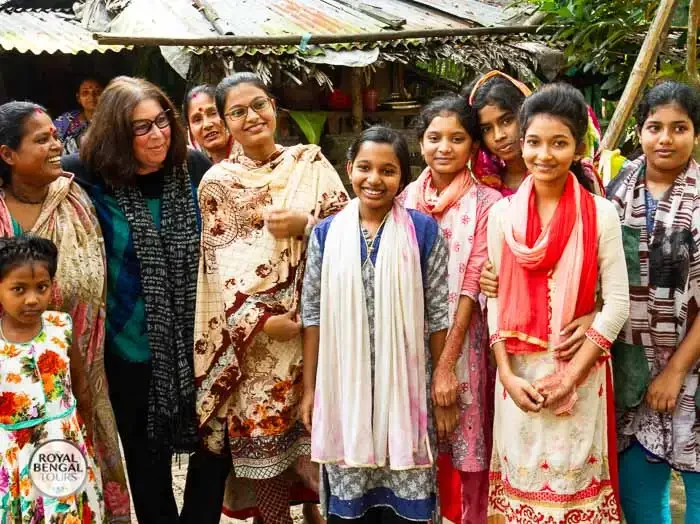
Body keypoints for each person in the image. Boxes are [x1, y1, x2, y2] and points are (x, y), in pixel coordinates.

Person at [193, 72, 349, 524]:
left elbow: (353, 233)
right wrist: (261, 319)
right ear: (225, 123)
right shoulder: (217, 183)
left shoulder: (311, 163)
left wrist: (306, 224)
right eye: (237, 112)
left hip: (317, 333)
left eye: (258, 105)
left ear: (274, 107)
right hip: (256, 344)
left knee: (318, 442)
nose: (251, 117)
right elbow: (218, 266)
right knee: (265, 450)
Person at [61, 76, 213, 523]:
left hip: (198, 347)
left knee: (213, 451)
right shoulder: (87, 177)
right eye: (140, 128)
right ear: (115, 134)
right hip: (127, 351)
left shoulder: (195, 168)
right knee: (148, 469)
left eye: (162, 121)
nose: (157, 135)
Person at [486, 83, 629, 522]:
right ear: (521, 143)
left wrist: (571, 377)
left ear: (578, 148)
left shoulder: (600, 214)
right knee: (520, 498)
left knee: (572, 497)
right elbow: (492, 301)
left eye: (558, 143)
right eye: (534, 142)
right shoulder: (501, 215)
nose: (544, 155)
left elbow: (618, 303)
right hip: (518, 379)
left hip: (579, 376)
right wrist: (506, 375)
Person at [300, 126, 456, 523]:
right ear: (349, 168)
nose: (375, 179)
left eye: (388, 171)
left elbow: (439, 315)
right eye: (365, 167)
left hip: (406, 393)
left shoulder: (423, 232)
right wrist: (310, 391)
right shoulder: (325, 234)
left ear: (402, 178)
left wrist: (441, 384)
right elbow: (313, 315)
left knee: (408, 507)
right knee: (351, 508)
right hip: (344, 394)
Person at [0, 101, 129, 521]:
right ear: (7, 155)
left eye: (54, 136)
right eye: (42, 140)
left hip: (74, 393)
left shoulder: (74, 199)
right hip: (10, 405)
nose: (56, 145)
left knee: (70, 500)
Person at [399, 94, 501, 524]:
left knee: (470, 458)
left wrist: (446, 367)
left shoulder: (488, 205)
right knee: (416, 456)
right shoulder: (402, 199)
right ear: (420, 143)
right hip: (407, 346)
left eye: (456, 138)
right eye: (434, 137)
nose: (444, 147)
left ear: (473, 147)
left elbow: (472, 287)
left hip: (466, 351)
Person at [607, 81, 700, 523]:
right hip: (632, 370)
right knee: (641, 501)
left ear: (695, 134)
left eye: (678, 128)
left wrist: (676, 370)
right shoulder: (614, 193)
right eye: (654, 127)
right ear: (639, 133)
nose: (665, 138)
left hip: (694, 367)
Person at [0, 235, 104, 522]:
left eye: (41, 287)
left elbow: (81, 386)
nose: (32, 299)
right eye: (18, 289)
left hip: (65, 445)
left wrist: (87, 439)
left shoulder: (61, 328)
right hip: (15, 456)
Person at [183, 84, 233, 163]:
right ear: (190, 132)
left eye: (213, 113)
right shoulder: (198, 168)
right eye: (197, 120)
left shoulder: (250, 154)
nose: (207, 125)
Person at [54, 77, 104, 155]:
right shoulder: (65, 120)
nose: (91, 96)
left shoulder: (112, 122)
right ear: (78, 98)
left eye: (97, 92)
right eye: (85, 93)